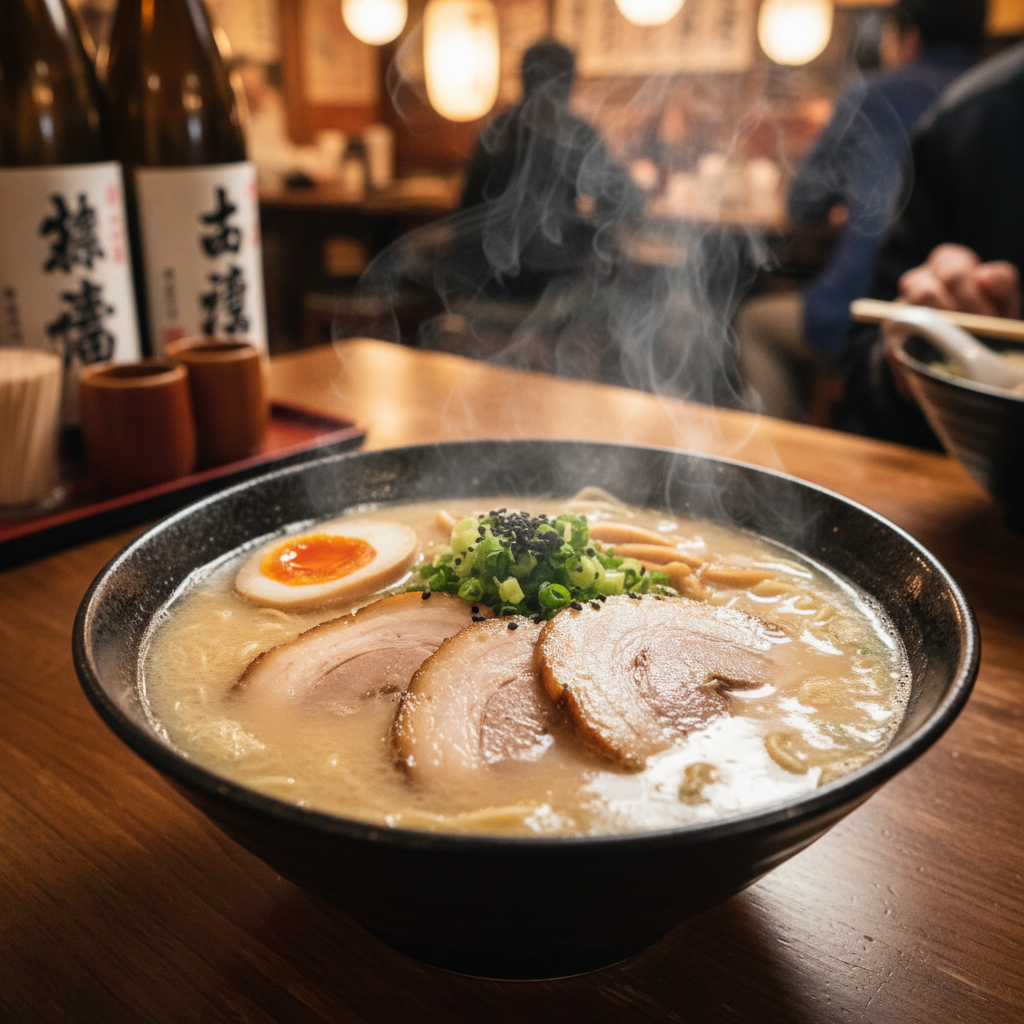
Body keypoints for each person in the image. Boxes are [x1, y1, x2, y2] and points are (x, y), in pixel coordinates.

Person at [734, 0, 985, 421]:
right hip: (987, 331)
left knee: (755, 323)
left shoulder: (873, 92)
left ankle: (787, 466)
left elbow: (804, 205)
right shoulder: (991, 100)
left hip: (869, 315)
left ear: (908, 36)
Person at [837, 39, 1024, 447]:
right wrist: (907, 363)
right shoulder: (973, 120)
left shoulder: (874, 91)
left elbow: (804, 204)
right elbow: (866, 376)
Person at [449, 39, 643, 304]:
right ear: (569, 83)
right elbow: (622, 200)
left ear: (522, 80)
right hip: (544, 285)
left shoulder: (494, 129)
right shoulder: (575, 132)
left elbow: (465, 209)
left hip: (480, 280)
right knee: (619, 281)